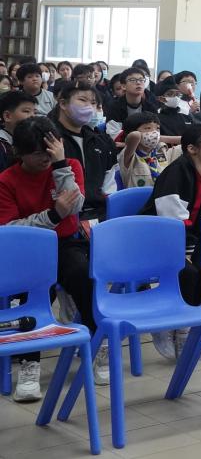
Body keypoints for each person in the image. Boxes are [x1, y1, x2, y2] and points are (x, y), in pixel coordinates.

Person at [0, 116, 109, 400]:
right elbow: (10, 228)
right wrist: (52, 215)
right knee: (33, 294)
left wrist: (60, 165)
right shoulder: (7, 180)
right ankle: (30, 363)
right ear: (19, 152)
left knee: (85, 279)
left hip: (66, 244)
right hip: (27, 249)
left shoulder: (68, 165)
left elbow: (76, 205)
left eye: (51, 150)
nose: (45, 158)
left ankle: (97, 348)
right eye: (38, 153)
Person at [142, 123, 201, 357]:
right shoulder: (176, 173)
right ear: (192, 148)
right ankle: (168, 323)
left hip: (190, 240)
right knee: (190, 272)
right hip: (155, 241)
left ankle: (181, 323)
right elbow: (170, 222)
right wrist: (188, 251)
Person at [53, 81, 117, 225]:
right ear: (63, 104)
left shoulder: (100, 141)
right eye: (82, 100)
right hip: (62, 216)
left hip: (98, 215)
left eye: (93, 103)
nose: (89, 107)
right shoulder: (51, 139)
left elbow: (109, 184)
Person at [118, 111, 180, 189]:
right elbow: (135, 136)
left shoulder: (161, 150)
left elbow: (188, 140)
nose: (154, 132)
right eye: (147, 128)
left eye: (157, 128)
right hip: (140, 196)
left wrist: (158, 137)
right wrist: (148, 136)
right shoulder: (129, 156)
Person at [0, 90, 38, 172]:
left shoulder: (35, 138)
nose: (33, 116)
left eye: (35, 112)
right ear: (7, 116)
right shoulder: (2, 147)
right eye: (26, 111)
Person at [154, 79, 195, 145]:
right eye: (170, 94)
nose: (175, 97)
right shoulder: (155, 119)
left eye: (177, 94)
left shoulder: (186, 117)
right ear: (161, 98)